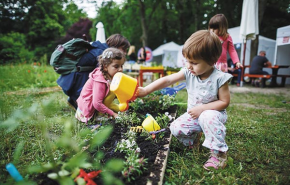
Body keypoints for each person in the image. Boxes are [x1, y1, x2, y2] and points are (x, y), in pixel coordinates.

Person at [137, 30, 232, 171]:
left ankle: (218, 155)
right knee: (175, 128)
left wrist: (202, 109)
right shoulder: (189, 72)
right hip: (194, 115)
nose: (188, 66)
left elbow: (224, 102)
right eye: (187, 61)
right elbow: (168, 79)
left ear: (212, 61)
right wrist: (146, 90)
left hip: (213, 115)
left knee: (207, 116)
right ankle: (193, 142)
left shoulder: (219, 78)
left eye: (194, 62)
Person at [57, 34, 130, 110]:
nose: (125, 53)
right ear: (116, 45)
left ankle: (74, 100)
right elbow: (102, 75)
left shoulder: (100, 47)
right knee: (101, 89)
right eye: (123, 49)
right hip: (74, 83)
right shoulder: (102, 53)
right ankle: (83, 110)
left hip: (69, 82)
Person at [75, 48, 126, 123]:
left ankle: (106, 112)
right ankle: (98, 117)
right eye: (116, 66)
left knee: (114, 90)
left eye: (121, 66)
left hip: (94, 105)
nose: (120, 69)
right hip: (87, 111)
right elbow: (97, 104)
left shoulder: (109, 75)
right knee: (112, 90)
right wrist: (113, 114)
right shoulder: (100, 80)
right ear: (105, 67)